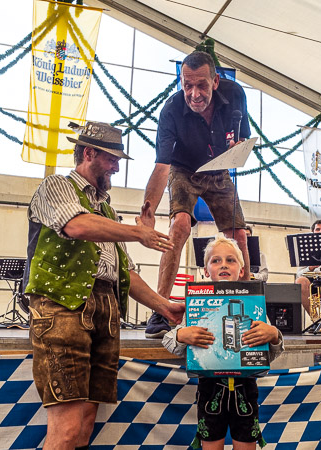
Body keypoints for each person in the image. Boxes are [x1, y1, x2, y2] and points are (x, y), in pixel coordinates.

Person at [23, 121, 185, 450]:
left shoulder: (107, 210)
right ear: (88, 153)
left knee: (85, 423)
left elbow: (125, 272)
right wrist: (138, 232)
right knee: (67, 428)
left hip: (105, 311)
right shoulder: (56, 186)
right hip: (63, 307)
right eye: (112, 159)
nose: (116, 168)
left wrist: (164, 307)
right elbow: (76, 225)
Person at [140, 50, 252, 338]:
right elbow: (162, 166)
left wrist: (237, 148)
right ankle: (161, 310)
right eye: (187, 85)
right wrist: (148, 210)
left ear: (215, 81)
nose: (194, 93)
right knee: (179, 227)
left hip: (219, 168)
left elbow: (244, 137)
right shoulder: (170, 110)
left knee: (239, 235)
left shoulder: (235, 94)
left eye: (201, 85)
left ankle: (251, 302)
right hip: (184, 170)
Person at [163, 235, 283, 449]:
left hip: (246, 390)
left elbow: (268, 355)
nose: (224, 265)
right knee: (211, 444)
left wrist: (273, 335)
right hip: (209, 390)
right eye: (216, 260)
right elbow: (169, 341)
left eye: (231, 260)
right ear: (206, 270)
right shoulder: (196, 306)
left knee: (246, 444)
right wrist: (181, 335)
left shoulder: (254, 307)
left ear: (242, 270)